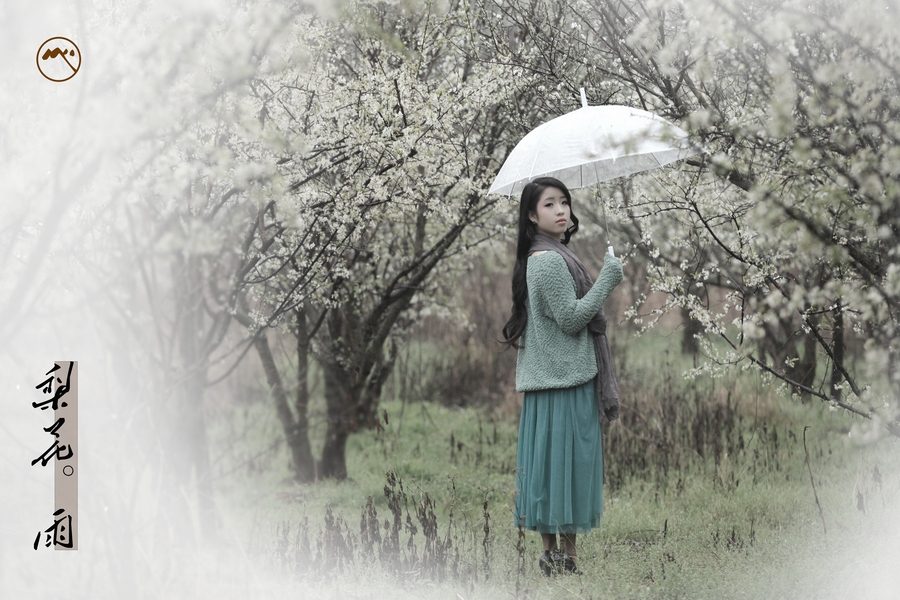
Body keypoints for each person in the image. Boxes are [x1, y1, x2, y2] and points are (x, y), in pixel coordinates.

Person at [501, 176, 623, 576]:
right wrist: (607, 278)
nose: (561, 210)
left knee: (550, 468)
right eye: (549, 204)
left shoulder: (543, 255)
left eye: (564, 202)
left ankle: (554, 555)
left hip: (549, 380)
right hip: (564, 380)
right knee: (569, 467)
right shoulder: (550, 260)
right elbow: (571, 319)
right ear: (532, 215)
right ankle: (566, 558)